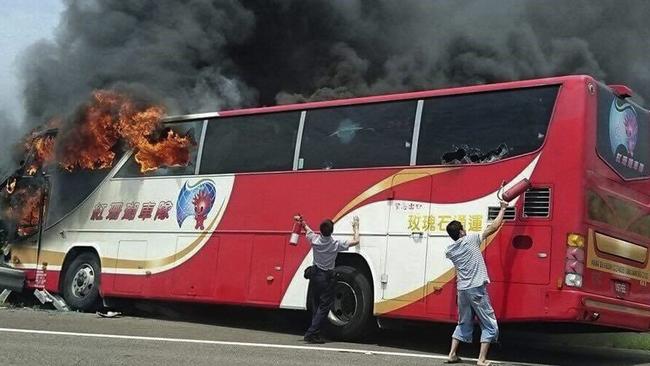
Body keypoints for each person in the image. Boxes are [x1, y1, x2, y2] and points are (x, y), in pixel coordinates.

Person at [444, 200, 508, 366]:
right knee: (489, 322)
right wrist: (502, 209)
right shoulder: (471, 240)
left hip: (462, 290)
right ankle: (481, 359)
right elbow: (492, 227)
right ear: (461, 232)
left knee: (463, 321)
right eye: (463, 228)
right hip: (476, 289)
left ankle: (452, 354)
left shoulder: (450, 251)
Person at [294, 215, 360, 344]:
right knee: (324, 307)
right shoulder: (335, 244)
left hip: (315, 275)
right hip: (326, 277)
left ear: (321, 230)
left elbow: (307, 230)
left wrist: (302, 222)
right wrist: (356, 227)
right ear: (332, 231)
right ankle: (311, 333)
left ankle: (315, 334)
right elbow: (355, 241)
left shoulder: (315, 240)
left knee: (316, 305)